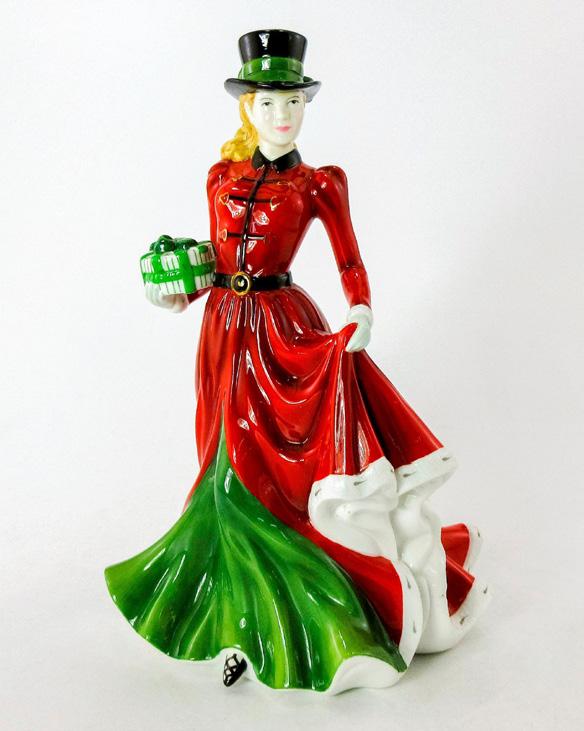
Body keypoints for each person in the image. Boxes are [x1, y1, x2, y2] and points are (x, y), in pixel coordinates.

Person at [105, 29, 489, 694]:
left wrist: (361, 311)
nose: (282, 115)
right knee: (219, 464)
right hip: (223, 334)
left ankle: (300, 615)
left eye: (293, 103)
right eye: (269, 103)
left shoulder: (319, 184)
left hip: (284, 335)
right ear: (248, 107)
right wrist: (175, 291)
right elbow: (215, 263)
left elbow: (349, 261)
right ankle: (232, 617)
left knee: (273, 478)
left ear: (305, 105)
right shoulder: (220, 179)